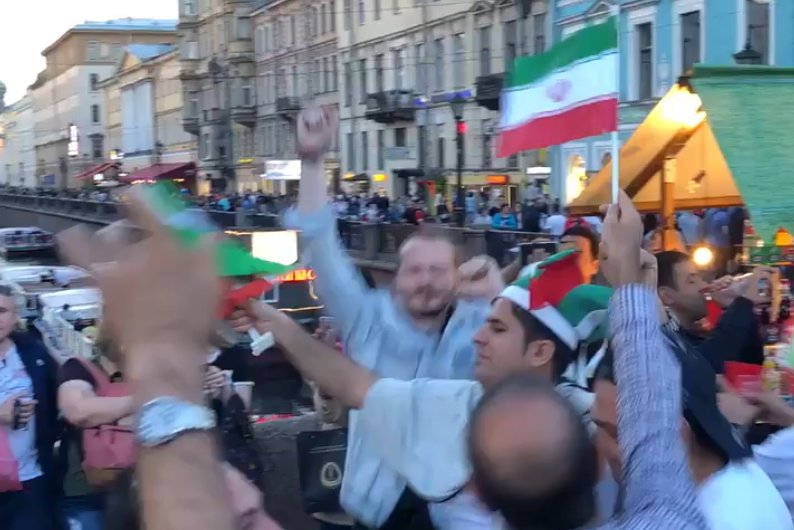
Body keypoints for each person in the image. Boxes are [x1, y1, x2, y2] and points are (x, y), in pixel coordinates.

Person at [283, 105, 498, 529]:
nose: (426, 282)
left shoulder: (484, 326)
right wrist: (311, 161)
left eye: (438, 271)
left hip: (456, 511)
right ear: (396, 279)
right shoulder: (367, 320)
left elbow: (545, 353)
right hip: (379, 509)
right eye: (415, 271)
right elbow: (320, 244)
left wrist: (499, 293)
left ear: (458, 275)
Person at [593, 349, 792, 530]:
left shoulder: (716, 520)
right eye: (598, 427)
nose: (602, 448)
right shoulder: (731, 473)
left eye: (617, 435)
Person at [57, 331, 136, 530]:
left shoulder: (158, 374)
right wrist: (147, 400)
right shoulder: (79, 368)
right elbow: (79, 411)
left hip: (142, 491)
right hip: (87, 491)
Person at [0, 284, 61, 530]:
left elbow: (55, 396)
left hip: (29, 479)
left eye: (2, 311)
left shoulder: (33, 351)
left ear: (15, 317)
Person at [655, 250, 768, 371]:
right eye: (692, 281)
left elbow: (751, 363)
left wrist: (736, 305)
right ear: (666, 296)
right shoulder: (661, 340)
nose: (704, 285)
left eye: (700, 278)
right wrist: (743, 304)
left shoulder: (692, 336)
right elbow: (703, 367)